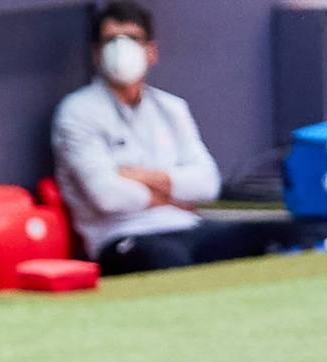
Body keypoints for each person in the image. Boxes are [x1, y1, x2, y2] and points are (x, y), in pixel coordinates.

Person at [52, 1, 299, 275]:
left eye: (133, 39)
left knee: (279, 236)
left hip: (187, 226)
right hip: (121, 237)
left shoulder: (171, 108)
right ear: (97, 54)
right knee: (167, 260)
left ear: (151, 51)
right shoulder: (77, 112)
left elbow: (207, 183)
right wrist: (173, 191)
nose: (122, 49)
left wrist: (138, 177)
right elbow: (108, 198)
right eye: (112, 40)